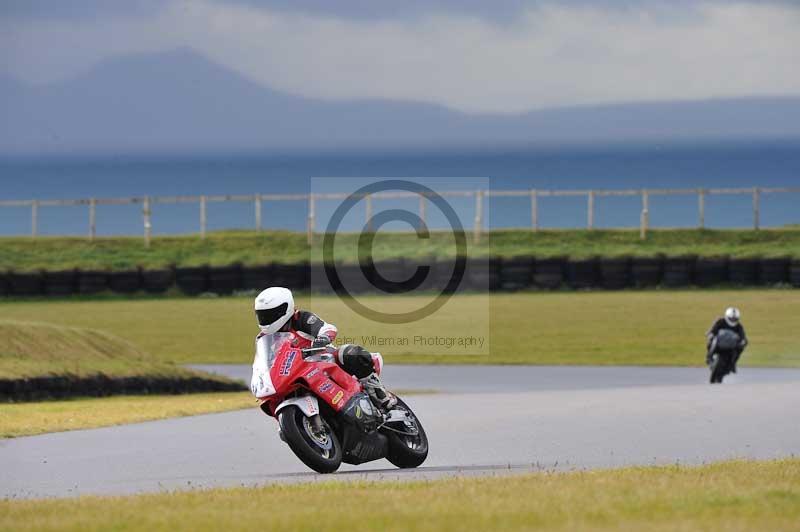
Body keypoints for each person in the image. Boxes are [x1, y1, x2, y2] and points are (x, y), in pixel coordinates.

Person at [254, 286, 396, 408]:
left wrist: (323, 338)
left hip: (322, 362)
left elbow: (326, 328)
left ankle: (380, 395)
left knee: (349, 353)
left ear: (285, 308)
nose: (266, 319)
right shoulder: (263, 339)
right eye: (262, 315)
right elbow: (264, 364)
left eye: (270, 314)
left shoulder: (300, 319)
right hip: (295, 374)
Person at [706, 307, 748, 373]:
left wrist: (743, 341)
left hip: (731, 344)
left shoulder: (739, 326)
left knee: (740, 347)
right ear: (727, 316)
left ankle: (733, 364)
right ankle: (709, 357)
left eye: (735, 319)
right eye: (731, 318)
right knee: (711, 341)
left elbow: (742, 336)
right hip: (720, 341)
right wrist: (710, 333)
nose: (733, 320)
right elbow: (714, 328)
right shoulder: (720, 321)